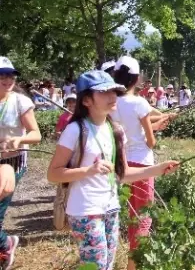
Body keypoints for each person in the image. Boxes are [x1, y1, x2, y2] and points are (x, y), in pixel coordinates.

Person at [47, 70, 179, 270]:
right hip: (85, 210)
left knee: (107, 264)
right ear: (86, 101)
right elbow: (53, 173)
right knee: (96, 265)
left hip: (111, 207)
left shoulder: (115, 131)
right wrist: (87, 171)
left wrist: (158, 169)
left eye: (114, 91)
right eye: (104, 92)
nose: (112, 96)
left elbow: (123, 174)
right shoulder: (74, 130)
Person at [110, 57, 175, 270]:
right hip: (142, 165)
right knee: (143, 216)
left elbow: (125, 131)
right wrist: (157, 127)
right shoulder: (139, 103)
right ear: (137, 79)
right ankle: (133, 265)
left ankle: (131, 260)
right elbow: (150, 141)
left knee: (131, 214)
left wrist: (158, 122)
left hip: (120, 163)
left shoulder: (109, 101)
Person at [0, 56, 42, 268]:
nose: (7, 80)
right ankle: (6, 243)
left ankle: (5, 245)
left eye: (10, 75)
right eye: (2, 75)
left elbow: (36, 135)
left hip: (13, 162)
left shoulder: (20, 102)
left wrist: (18, 139)